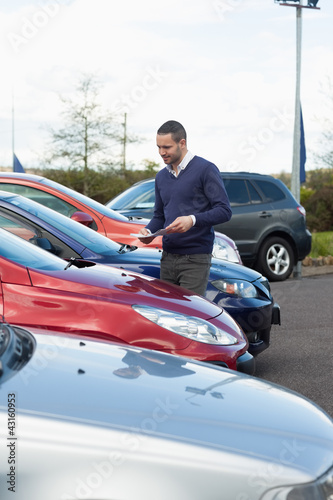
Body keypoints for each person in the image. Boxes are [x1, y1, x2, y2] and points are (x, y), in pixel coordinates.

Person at [138, 120, 232, 296]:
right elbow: (159, 216)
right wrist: (148, 231)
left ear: (182, 143)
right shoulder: (161, 177)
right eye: (158, 147)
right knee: (167, 315)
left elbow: (224, 210)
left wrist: (193, 220)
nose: (161, 152)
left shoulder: (206, 170)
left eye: (167, 147)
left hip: (195, 259)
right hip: (167, 257)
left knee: (190, 316)